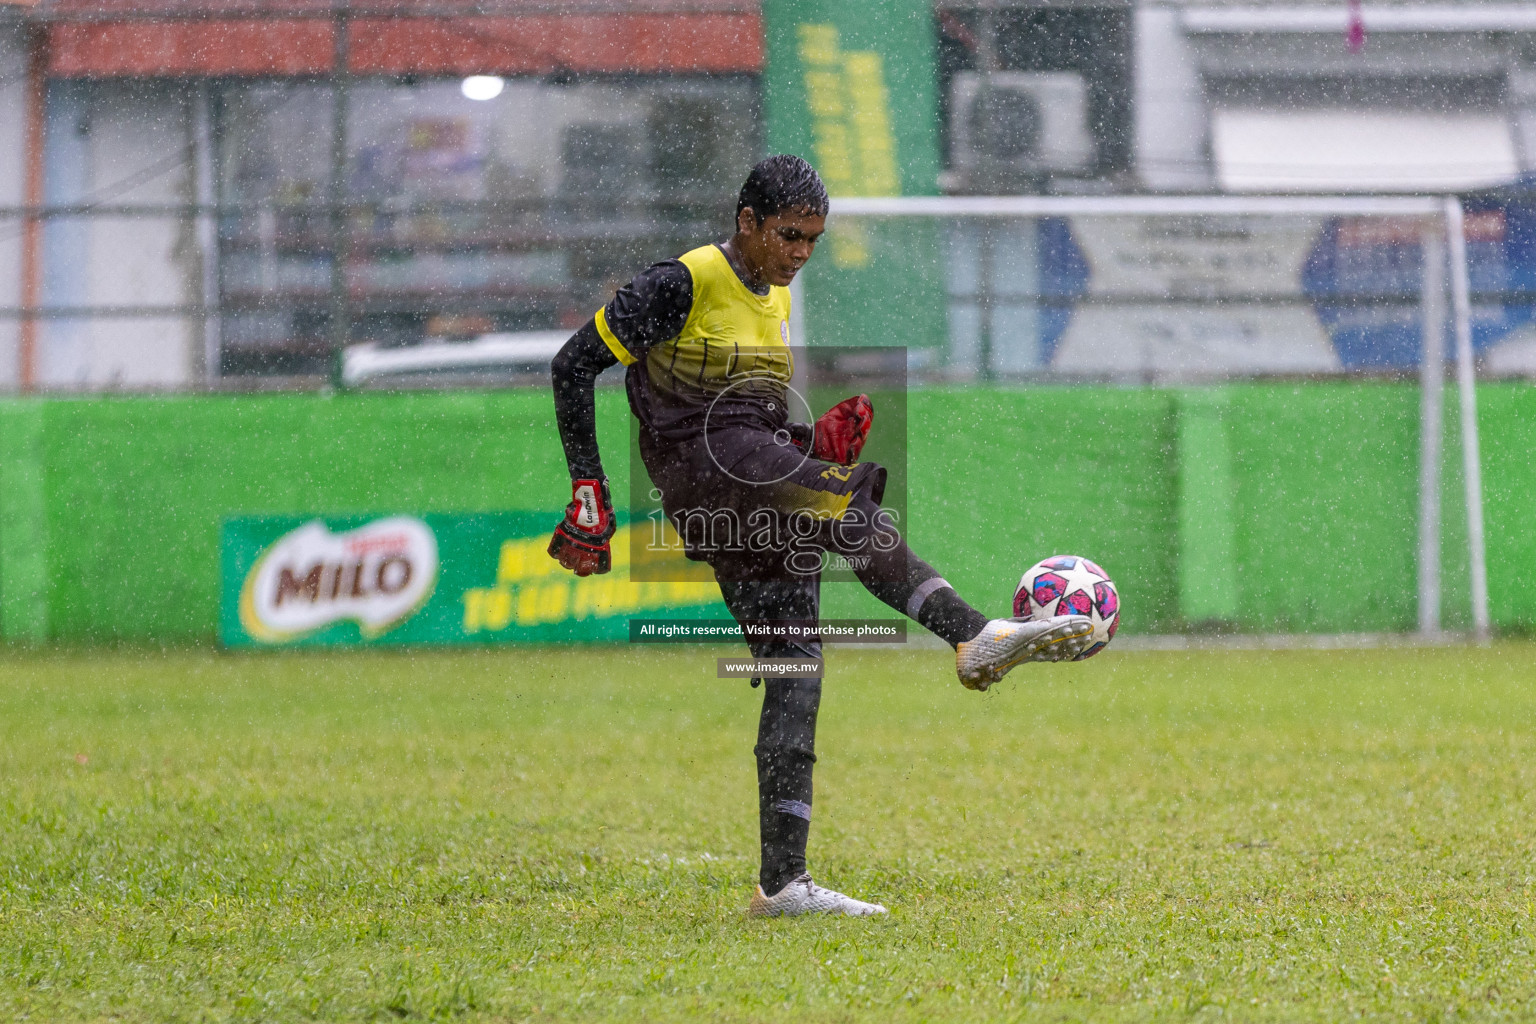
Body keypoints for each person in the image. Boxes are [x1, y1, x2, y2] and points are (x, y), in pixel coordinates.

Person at [547, 155, 1092, 918]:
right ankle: (972, 636)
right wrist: (587, 485)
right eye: (790, 236)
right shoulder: (681, 282)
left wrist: (809, 444)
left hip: (742, 481)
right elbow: (573, 365)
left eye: (814, 240)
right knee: (852, 512)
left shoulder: (773, 299)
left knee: (795, 668)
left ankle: (783, 885)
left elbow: (749, 413)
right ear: (748, 223)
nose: (801, 253)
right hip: (706, 466)